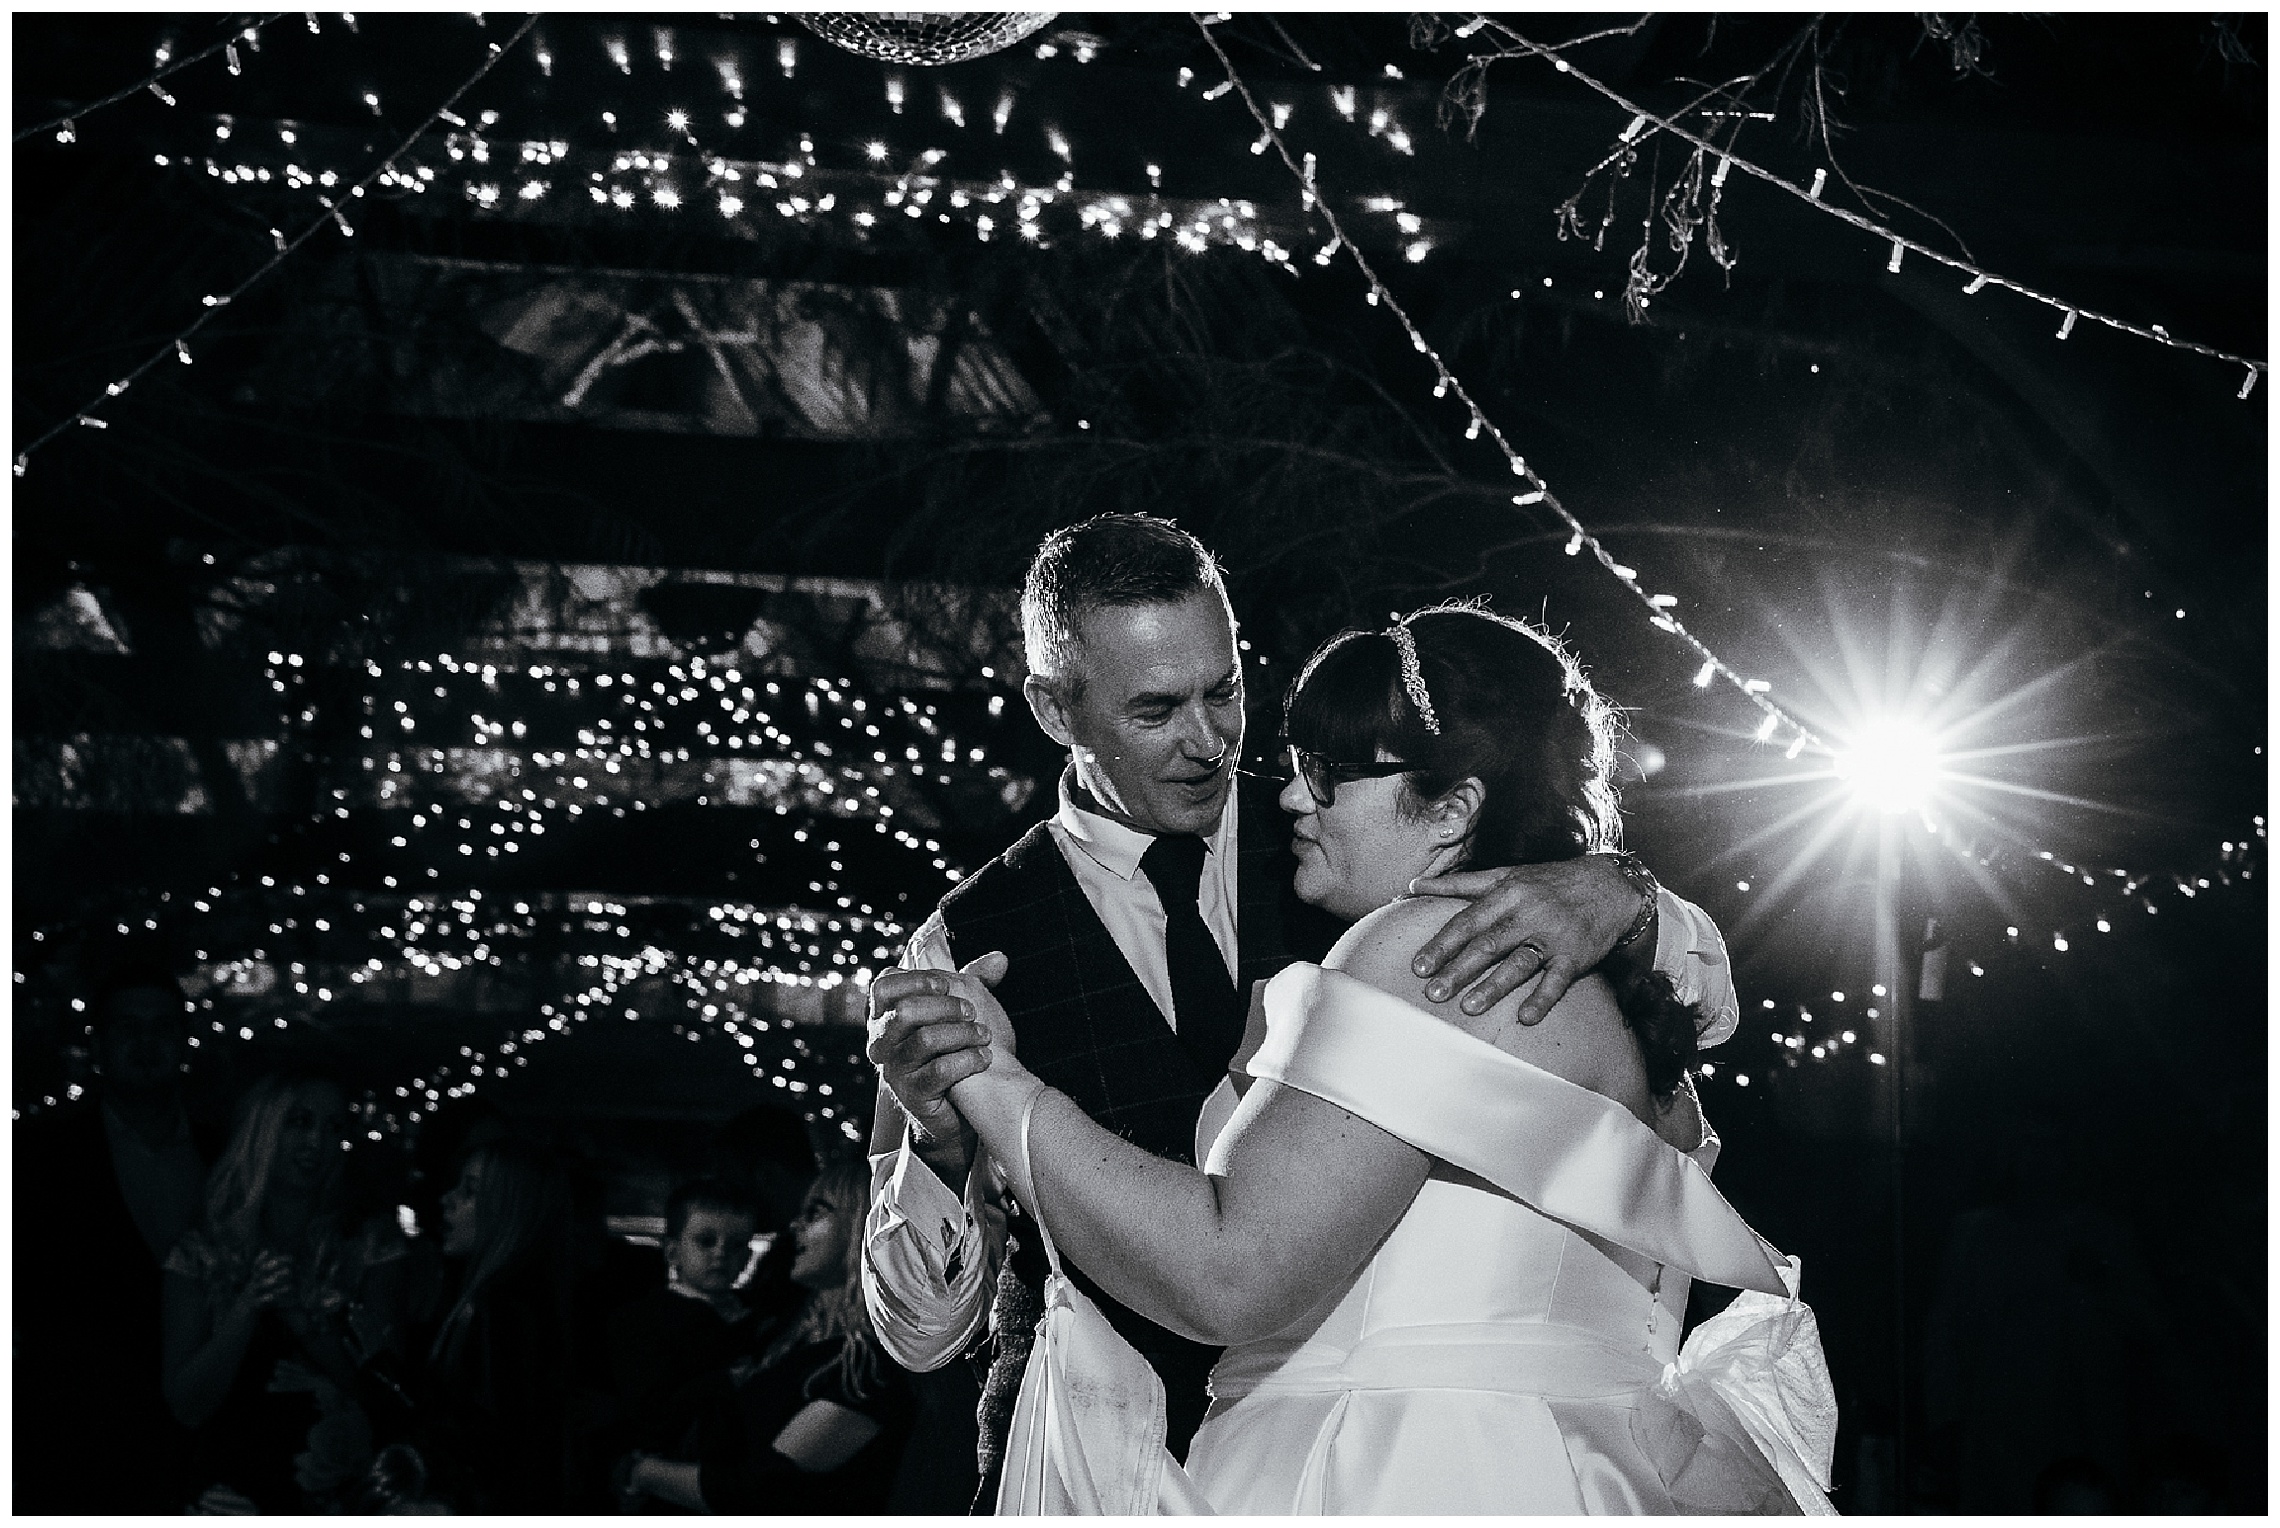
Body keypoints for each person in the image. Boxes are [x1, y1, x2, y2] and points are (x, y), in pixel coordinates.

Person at [859, 514, 1743, 1501]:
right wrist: (934, 1150)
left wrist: (1629, 894)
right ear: (1055, 708)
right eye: (1156, 710)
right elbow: (920, 1334)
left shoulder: (1366, 847)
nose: (1208, 741)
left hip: (1367, 1458)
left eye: (1225, 690)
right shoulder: (959, 945)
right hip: (1097, 1466)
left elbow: (1687, 999)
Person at [13, 942, 218, 1512]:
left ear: (182, 1042)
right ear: (98, 1045)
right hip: (74, 1447)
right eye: (129, 1028)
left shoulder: (227, 1156)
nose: (147, 1042)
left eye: (161, 1027)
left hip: (205, 1447)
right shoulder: (36, 1160)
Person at [161, 1070, 408, 1513]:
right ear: (262, 1129)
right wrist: (246, 1308)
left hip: (346, 1498)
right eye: (299, 1122)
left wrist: (301, 1316)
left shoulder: (369, 1246)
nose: (317, 1141)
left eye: (334, 1128)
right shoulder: (200, 1255)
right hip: (231, 1498)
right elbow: (185, 1406)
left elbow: (387, 1393)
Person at [618, 1158, 914, 1513]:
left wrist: (645, 1473)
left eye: (815, 1214)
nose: (794, 1225)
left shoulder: (864, 1366)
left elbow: (763, 1488)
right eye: (706, 1241)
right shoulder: (786, 1328)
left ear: (860, 1225)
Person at [413, 1138, 579, 1513]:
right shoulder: (529, 1301)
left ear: (511, 1209)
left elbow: (488, 1444)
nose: (447, 1199)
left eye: (470, 1191)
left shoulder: (497, 1306)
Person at [607, 1177, 765, 1463]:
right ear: (672, 1251)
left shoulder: (758, 1314)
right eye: (706, 1241)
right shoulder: (643, 1321)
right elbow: (649, 1412)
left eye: (736, 1244)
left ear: (746, 1257)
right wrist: (725, 1381)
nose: (720, 1253)